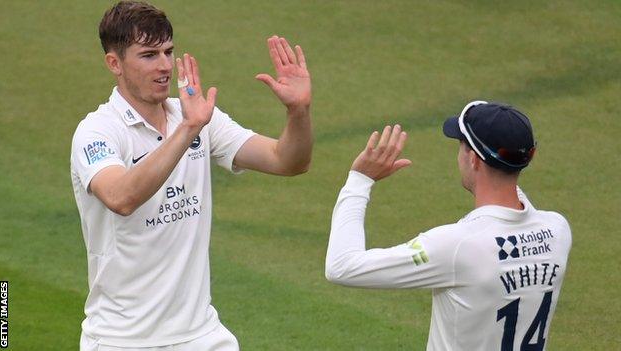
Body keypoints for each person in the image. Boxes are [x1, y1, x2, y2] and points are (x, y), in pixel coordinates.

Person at [70, 1, 311, 350]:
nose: (166, 66)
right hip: (122, 339)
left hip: (201, 335)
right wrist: (188, 128)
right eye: (149, 55)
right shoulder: (97, 132)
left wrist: (298, 111)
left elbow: (288, 161)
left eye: (169, 52)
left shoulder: (195, 117)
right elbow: (121, 198)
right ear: (114, 63)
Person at [325, 101, 571, 350]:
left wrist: (360, 179)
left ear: (473, 159)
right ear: (530, 156)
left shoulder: (457, 246)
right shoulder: (557, 231)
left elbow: (341, 267)